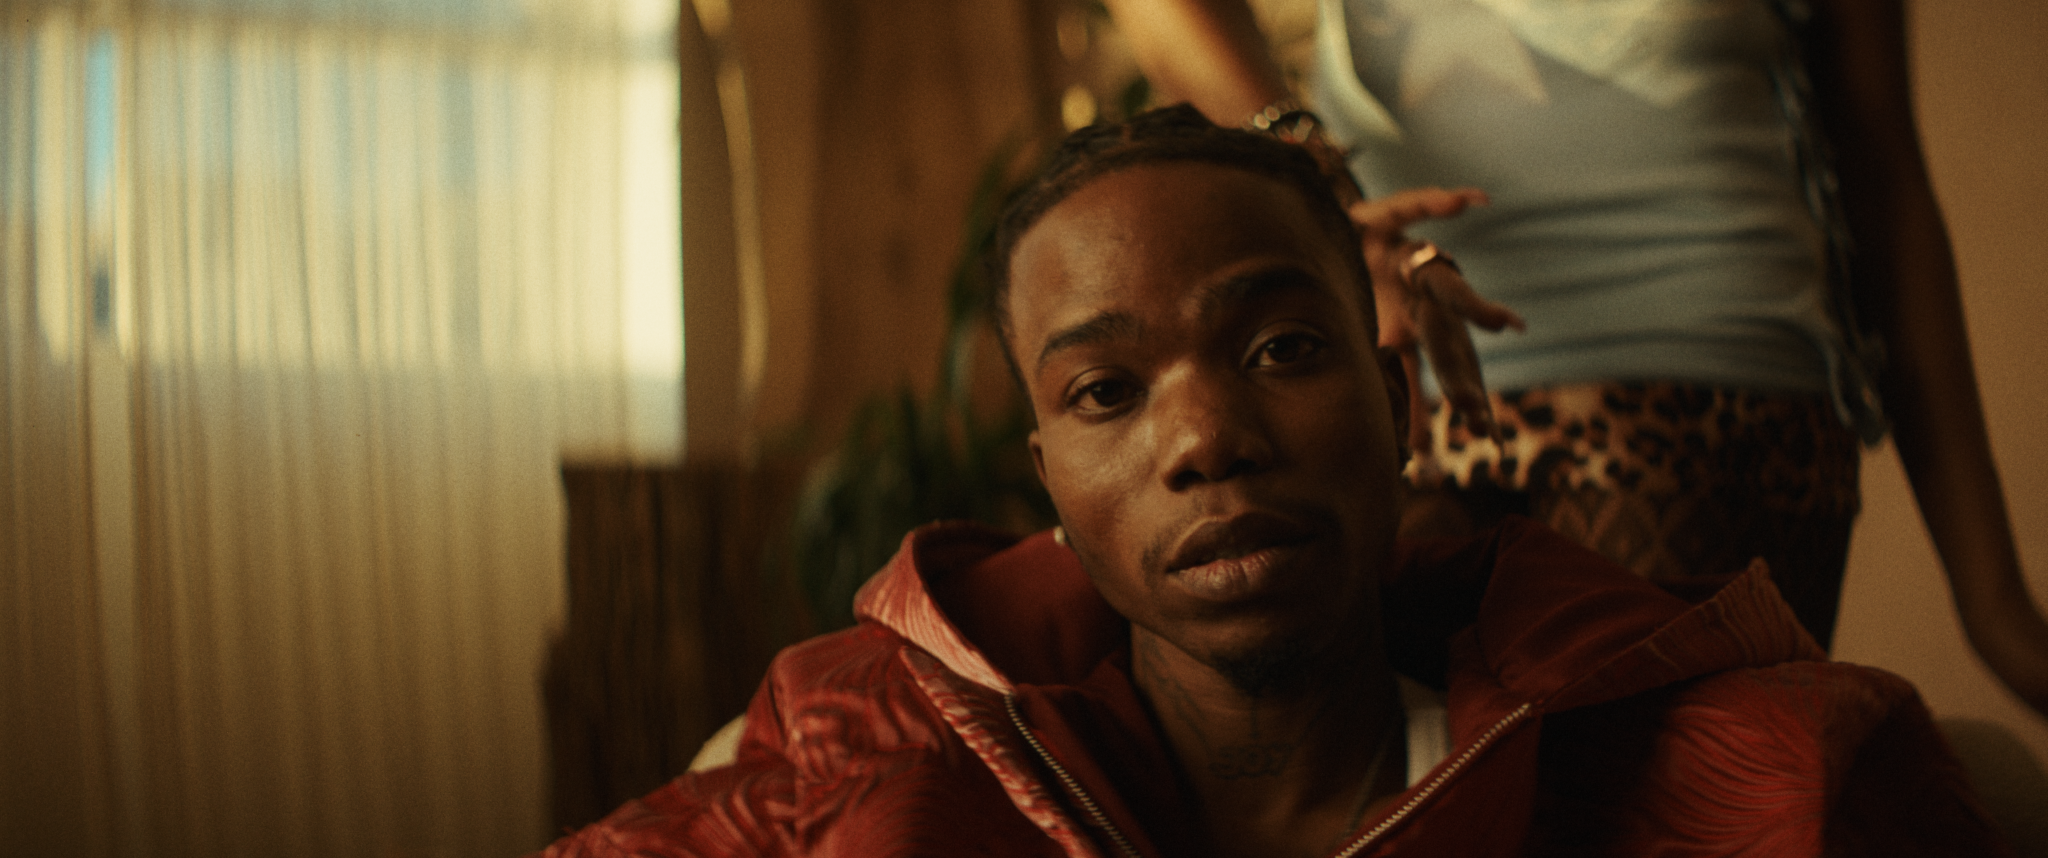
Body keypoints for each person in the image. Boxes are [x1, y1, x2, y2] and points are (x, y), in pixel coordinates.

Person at [532, 108, 2006, 858]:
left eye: (1284, 347)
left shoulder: (1750, 778)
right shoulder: (867, 766)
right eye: (1105, 391)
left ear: (1397, 406)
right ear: (1048, 483)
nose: (1206, 437)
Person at [1102, 0, 2048, 713]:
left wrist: (1992, 601)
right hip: (1407, 391)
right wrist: (1305, 165)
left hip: (1705, 391)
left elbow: (1880, 171)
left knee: (1633, 806)